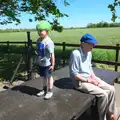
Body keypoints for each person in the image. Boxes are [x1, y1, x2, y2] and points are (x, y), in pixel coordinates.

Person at [69, 34, 120, 120]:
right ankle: (102, 118)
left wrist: (94, 78)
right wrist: (89, 81)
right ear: (83, 43)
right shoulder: (75, 54)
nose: (93, 46)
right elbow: (74, 74)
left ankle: (110, 113)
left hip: (89, 78)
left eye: (93, 44)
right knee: (103, 95)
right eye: (91, 44)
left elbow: (89, 68)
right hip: (80, 82)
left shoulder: (89, 53)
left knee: (112, 90)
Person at [36, 21, 55, 100]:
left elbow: (52, 54)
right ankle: (44, 90)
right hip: (41, 63)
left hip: (48, 64)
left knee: (49, 77)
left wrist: (53, 64)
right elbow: (39, 50)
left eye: (41, 30)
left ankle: (50, 91)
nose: (40, 32)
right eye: (39, 31)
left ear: (47, 31)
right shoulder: (38, 40)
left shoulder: (49, 42)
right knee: (43, 77)